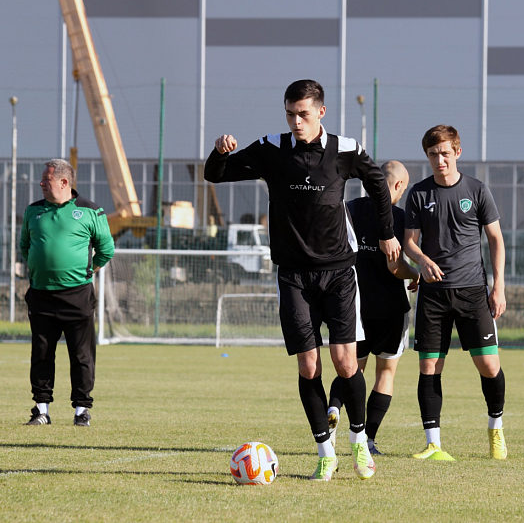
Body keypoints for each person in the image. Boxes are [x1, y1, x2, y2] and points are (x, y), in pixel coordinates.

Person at [204, 79, 400, 481]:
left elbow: (378, 183)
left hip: (339, 273)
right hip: (293, 275)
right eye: (290, 114)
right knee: (309, 366)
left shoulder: (344, 149)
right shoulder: (272, 149)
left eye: (304, 114)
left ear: (321, 112)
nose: (296, 122)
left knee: (346, 362)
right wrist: (219, 152)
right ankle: (325, 453)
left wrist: (386, 233)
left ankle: (359, 441)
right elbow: (216, 175)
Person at [403, 125, 508, 461]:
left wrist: (498, 286)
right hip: (433, 296)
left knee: (488, 365)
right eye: (433, 154)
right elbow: (409, 243)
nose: (440, 160)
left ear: (457, 152)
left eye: (445, 153)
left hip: (473, 292)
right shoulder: (419, 194)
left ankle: (495, 428)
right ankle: (433, 443)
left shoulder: (476, 190)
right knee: (429, 367)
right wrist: (422, 261)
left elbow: (496, 239)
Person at [326, 161, 420, 456]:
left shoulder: (351, 209)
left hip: (353, 306)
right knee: (386, 373)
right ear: (399, 185)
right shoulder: (399, 217)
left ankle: (333, 408)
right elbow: (395, 267)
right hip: (390, 309)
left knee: (350, 369)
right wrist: (415, 274)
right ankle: (368, 440)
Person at [20, 159, 115, 427]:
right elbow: (25, 246)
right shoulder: (33, 211)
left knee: (81, 355)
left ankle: (81, 411)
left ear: (64, 182)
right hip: (40, 294)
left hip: (77, 296)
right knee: (41, 353)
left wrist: (87, 270)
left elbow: (106, 249)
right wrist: (42, 268)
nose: (41, 183)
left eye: (46, 179)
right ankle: (41, 410)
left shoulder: (91, 211)